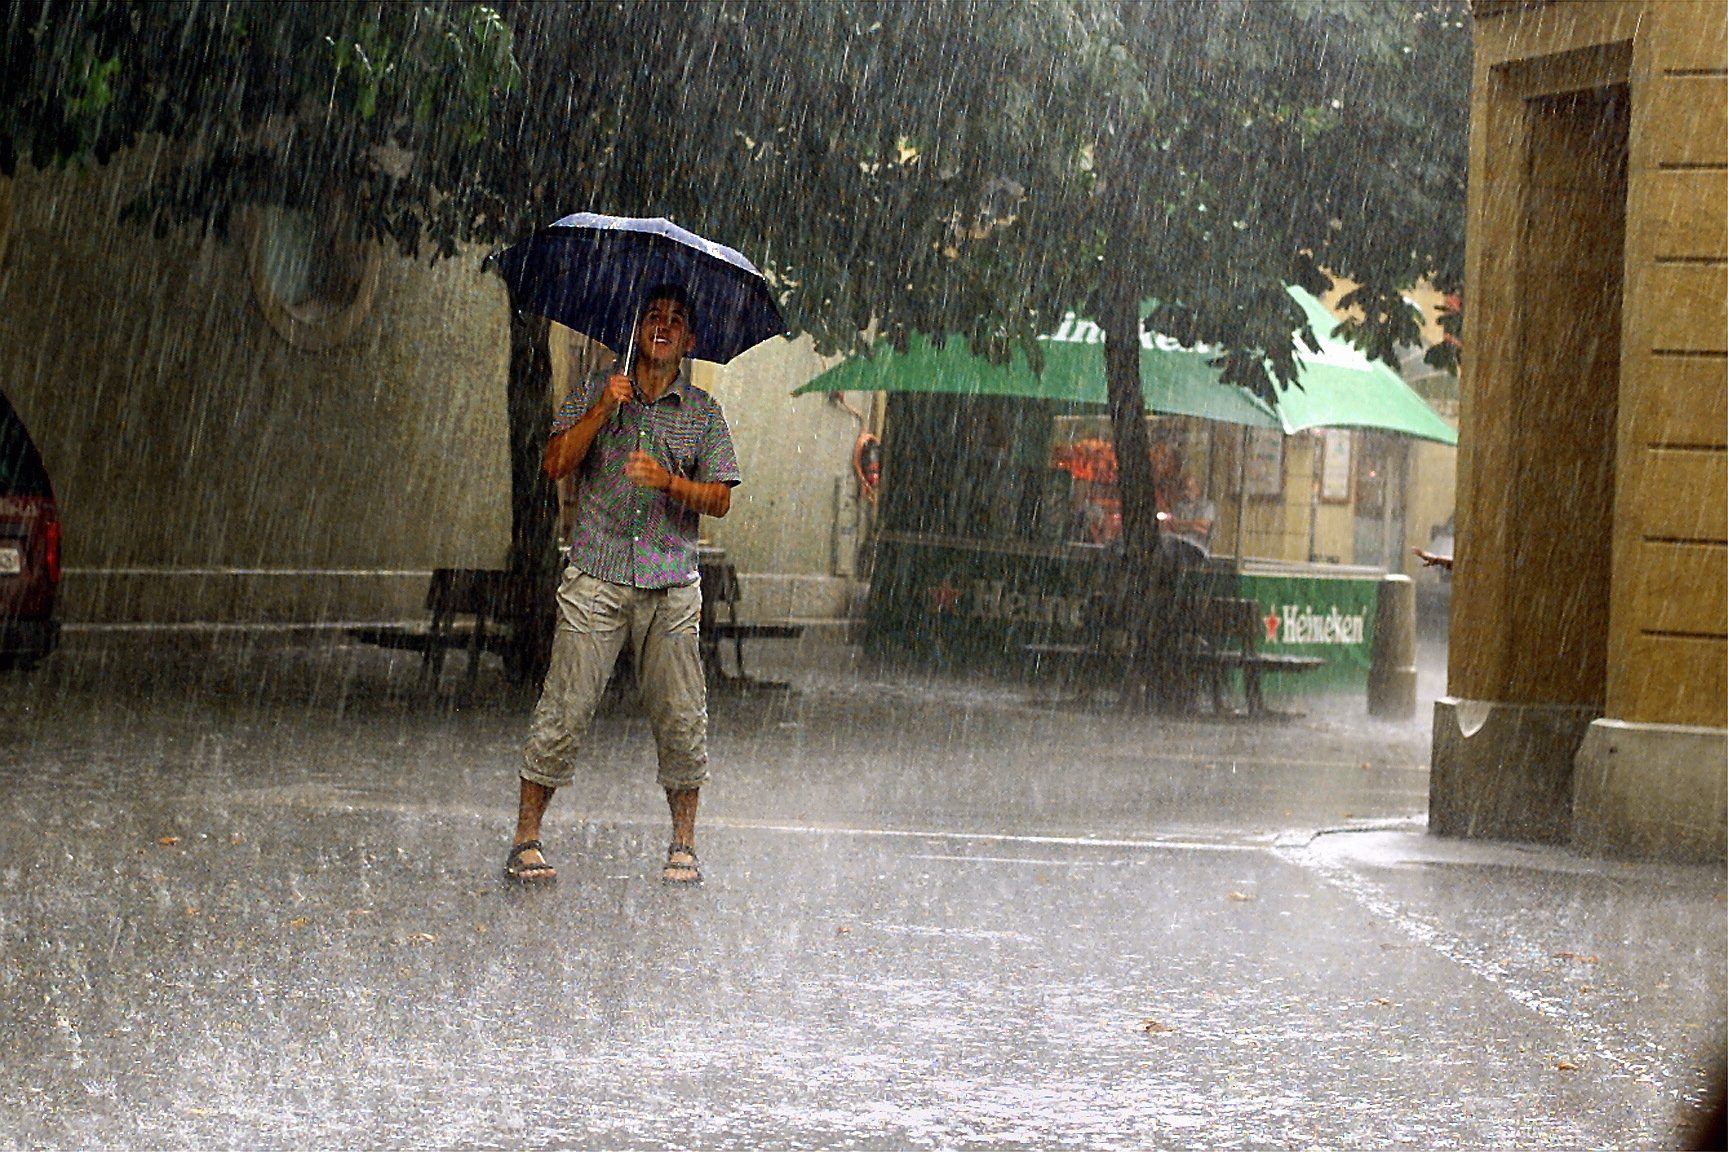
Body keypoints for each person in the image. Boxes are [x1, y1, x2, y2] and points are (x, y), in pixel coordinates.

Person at [505, 285, 741, 886]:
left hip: (670, 582)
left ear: (690, 342)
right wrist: (599, 413)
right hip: (597, 573)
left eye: (675, 322)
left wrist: (668, 482)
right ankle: (526, 837)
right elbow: (555, 463)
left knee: (682, 715)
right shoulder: (598, 390)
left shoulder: (704, 413)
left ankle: (683, 844)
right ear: (637, 330)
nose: (662, 327)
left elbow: (719, 499)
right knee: (565, 706)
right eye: (653, 317)